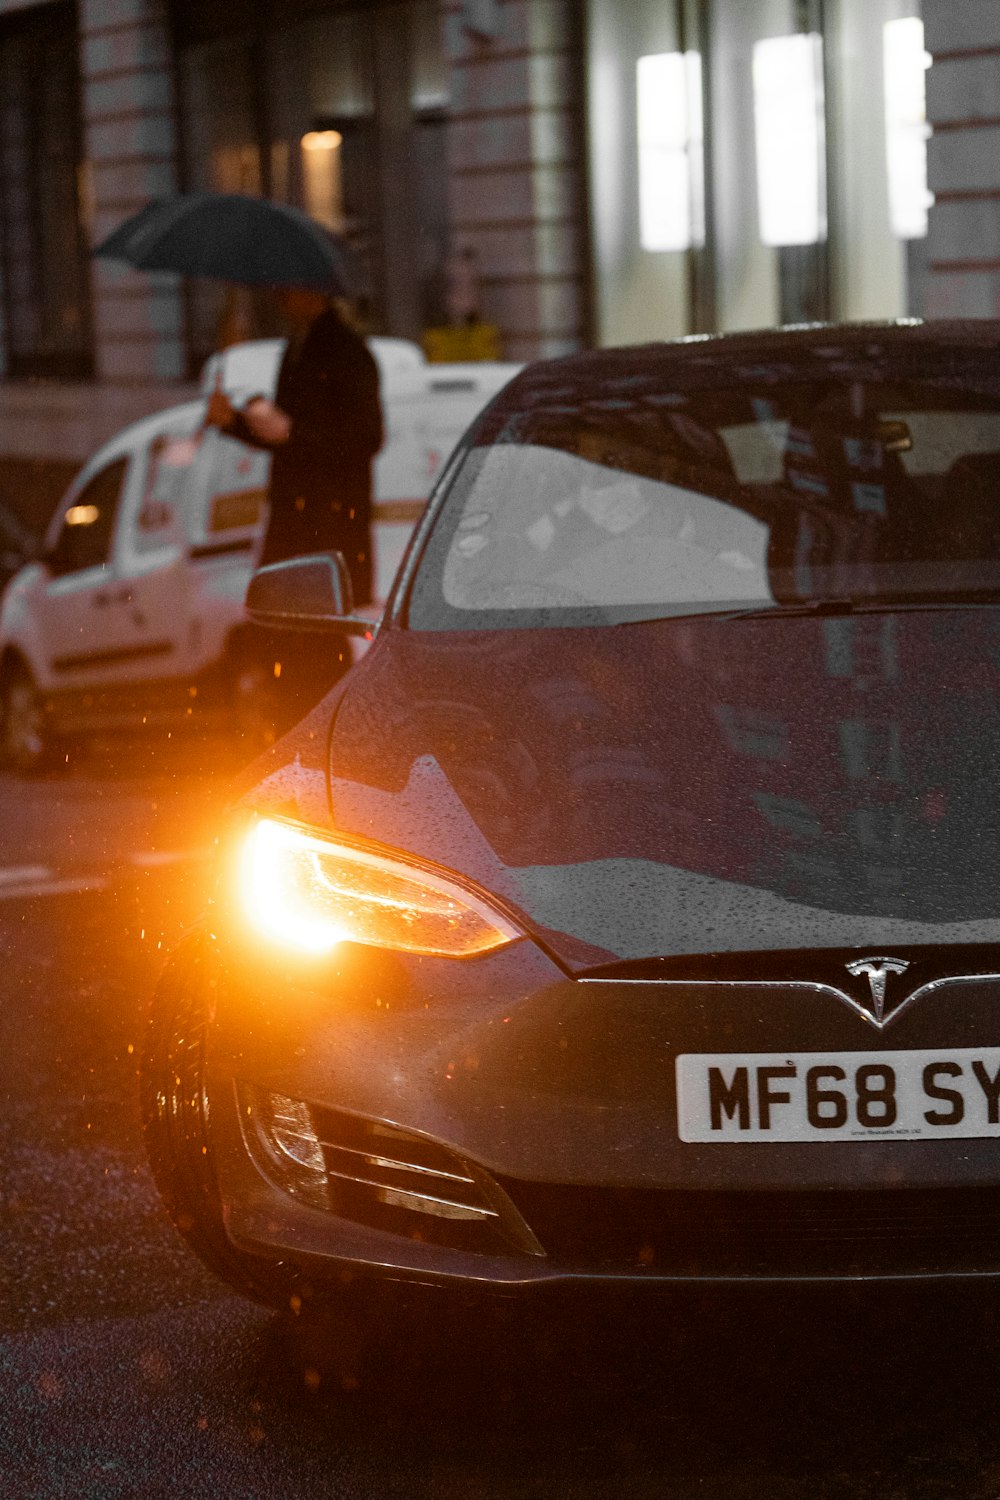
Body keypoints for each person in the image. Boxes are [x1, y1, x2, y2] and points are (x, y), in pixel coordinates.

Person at [207, 287, 383, 731]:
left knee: (316, 648)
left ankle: (325, 743)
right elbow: (287, 441)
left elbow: (362, 439)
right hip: (298, 529)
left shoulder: (347, 352)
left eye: (291, 286)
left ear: (316, 291)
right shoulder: (296, 349)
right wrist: (235, 424)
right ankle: (307, 743)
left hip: (325, 530)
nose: (282, 296)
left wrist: (291, 432)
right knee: (291, 646)